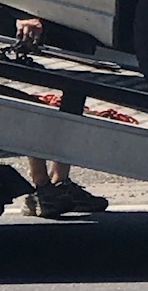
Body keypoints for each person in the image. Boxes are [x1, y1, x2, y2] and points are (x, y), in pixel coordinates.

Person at [13, 18, 109, 218]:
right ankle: (42, 186)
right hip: (24, 24)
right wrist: (20, 16)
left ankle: (59, 181)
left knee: (74, 95)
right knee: (32, 101)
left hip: (65, 24)